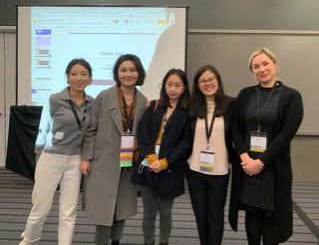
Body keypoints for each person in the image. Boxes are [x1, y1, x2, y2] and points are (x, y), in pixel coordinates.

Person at [228, 48, 304, 245]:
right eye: (256, 66)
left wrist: (260, 162)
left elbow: (286, 134)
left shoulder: (291, 96)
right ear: (252, 71)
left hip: (272, 168)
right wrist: (244, 157)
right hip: (247, 166)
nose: (261, 69)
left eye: (265, 64)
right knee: (251, 212)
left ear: (275, 64)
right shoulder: (245, 94)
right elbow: (235, 126)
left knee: (271, 214)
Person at [19, 59, 93, 245]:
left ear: (90, 78)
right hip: (51, 158)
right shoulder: (54, 99)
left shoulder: (93, 103)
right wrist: (38, 158)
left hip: (75, 160)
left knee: (69, 211)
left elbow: (92, 133)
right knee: (41, 207)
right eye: (74, 73)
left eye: (83, 74)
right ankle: (29, 239)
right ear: (68, 77)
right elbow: (43, 130)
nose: (78, 78)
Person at [80, 54, 147, 245]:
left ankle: (116, 240)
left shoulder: (143, 100)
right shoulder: (104, 96)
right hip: (104, 160)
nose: (128, 74)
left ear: (139, 73)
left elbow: (145, 132)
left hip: (128, 161)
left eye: (132, 70)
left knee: (121, 205)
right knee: (104, 206)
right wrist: (86, 157)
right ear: (117, 73)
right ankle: (100, 242)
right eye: (123, 70)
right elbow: (90, 129)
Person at [131, 68, 192, 245]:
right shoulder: (155, 106)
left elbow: (185, 144)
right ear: (164, 85)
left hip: (170, 169)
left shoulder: (188, 113)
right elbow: (143, 134)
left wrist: (164, 162)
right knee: (149, 212)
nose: (172, 89)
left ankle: (164, 242)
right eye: (169, 84)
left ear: (184, 88)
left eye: (177, 85)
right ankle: (148, 242)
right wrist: (151, 159)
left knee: (166, 212)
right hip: (148, 165)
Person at [185, 65, 234, 245]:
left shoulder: (231, 105)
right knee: (200, 214)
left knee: (215, 215)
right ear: (197, 85)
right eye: (203, 81)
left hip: (219, 171)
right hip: (194, 170)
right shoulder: (191, 107)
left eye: (211, 79)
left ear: (218, 81)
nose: (208, 83)